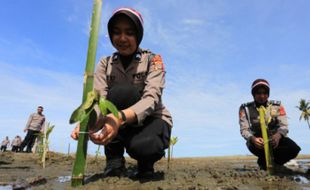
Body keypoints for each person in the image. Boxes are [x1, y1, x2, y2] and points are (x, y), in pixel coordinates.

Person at [71, 7, 172, 178]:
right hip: (118, 120)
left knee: (146, 145)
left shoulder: (153, 60)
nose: (122, 38)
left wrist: (118, 118)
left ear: (138, 36)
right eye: (116, 32)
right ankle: (114, 161)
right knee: (117, 94)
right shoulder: (105, 63)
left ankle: (146, 164)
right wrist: (89, 122)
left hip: (151, 119)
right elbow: (98, 99)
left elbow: (151, 98)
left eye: (130, 33)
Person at [239, 79, 301, 170]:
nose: (262, 96)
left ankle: (276, 164)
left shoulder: (277, 106)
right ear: (253, 94)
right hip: (256, 141)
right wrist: (253, 139)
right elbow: (244, 129)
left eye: (265, 93)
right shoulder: (245, 108)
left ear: (268, 94)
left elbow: (284, 126)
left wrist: (278, 136)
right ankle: (263, 162)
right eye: (258, 93)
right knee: (253, 145)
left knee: (294, 149)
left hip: (275, 139)